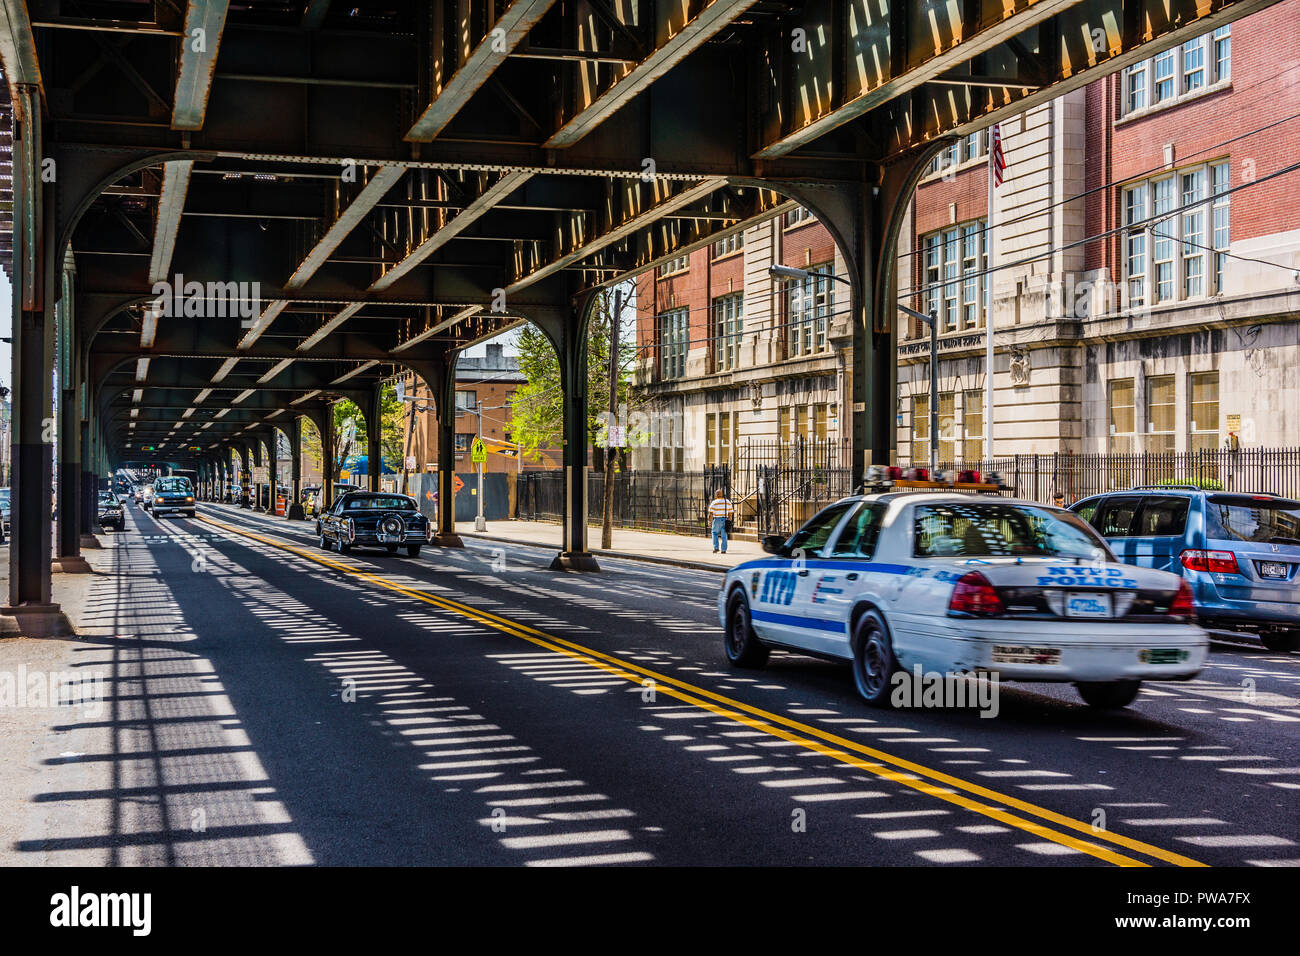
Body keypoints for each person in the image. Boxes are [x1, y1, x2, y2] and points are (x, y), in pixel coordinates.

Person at [708, 488, 734, 554]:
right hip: (725, 519)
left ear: (716, 495)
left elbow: (710, 514)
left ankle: (716, 547)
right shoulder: (727, 501)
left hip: (717, 519)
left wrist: (709, 521)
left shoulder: (714, 502)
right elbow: (730, 513)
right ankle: (723, 550)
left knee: (714, 533)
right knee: (724, 535)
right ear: (722, 494)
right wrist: (729, 520)